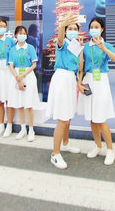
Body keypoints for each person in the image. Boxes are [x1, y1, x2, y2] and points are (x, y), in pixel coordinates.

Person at [78, 17, 115, 165]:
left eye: (96, 27)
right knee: (92, 117)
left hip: (101, 81)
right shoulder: (85, 46)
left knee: (101, 118)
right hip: (88, 80)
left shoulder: (106, 44)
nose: (94, 29)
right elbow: (81, 67)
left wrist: (103, 48)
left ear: (102, 29)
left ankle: (110, 149)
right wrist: (79, 83)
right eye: (91, 27)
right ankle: (98, 146)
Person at [46, 14, 83, 169]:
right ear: (66, 31)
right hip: (61, 78)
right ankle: (55, 154)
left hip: (71, 80)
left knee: (68, 116)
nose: (73, 31)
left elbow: (80, 67)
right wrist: (63, 25)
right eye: (70, 29)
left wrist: (81, 49)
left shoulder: (77, 45)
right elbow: (60, 38)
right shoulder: (61, 43)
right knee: (62, 118)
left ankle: (66, 143)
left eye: (75, 29)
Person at [7, 25, 39, 142]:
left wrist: (23, 75)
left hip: (28, 76)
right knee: (19, 104)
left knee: (28, 105)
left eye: (24, 33)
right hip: (16, 77)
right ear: (15, 35)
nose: (22, 35)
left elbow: (34, 65)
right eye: (20, 33)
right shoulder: (12, 50)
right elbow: (11, 65)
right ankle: (22, 129)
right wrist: (18, 78)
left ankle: (31, 130)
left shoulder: (30, 48)